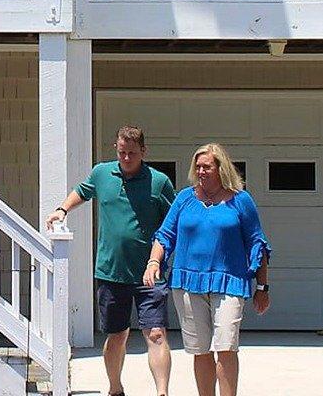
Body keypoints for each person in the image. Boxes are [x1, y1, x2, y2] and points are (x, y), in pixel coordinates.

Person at [46, 125, 176, 396]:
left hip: (149, 274)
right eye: (122, 152)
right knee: (117, 336)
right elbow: (82, 191)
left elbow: (172, 223)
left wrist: (163, 258)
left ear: (144, 151)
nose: (126, 158)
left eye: (132, 153)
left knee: (156, 334)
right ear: (116, 149)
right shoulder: (102, 173)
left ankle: (162, 392)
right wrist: (61, 210)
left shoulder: (159, 181)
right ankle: (115, 388)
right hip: (110, 272)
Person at [144, 143, 270, 396]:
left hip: (229, 282)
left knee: (226, 347)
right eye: (198, 167)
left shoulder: (240, 200)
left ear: (220, 169)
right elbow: (165, 235)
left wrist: (262, 287)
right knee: (200, 350)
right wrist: (154, 262)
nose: (201, 172)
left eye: (207, 167)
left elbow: (258, 243)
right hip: (188, 283)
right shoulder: (184, 198)